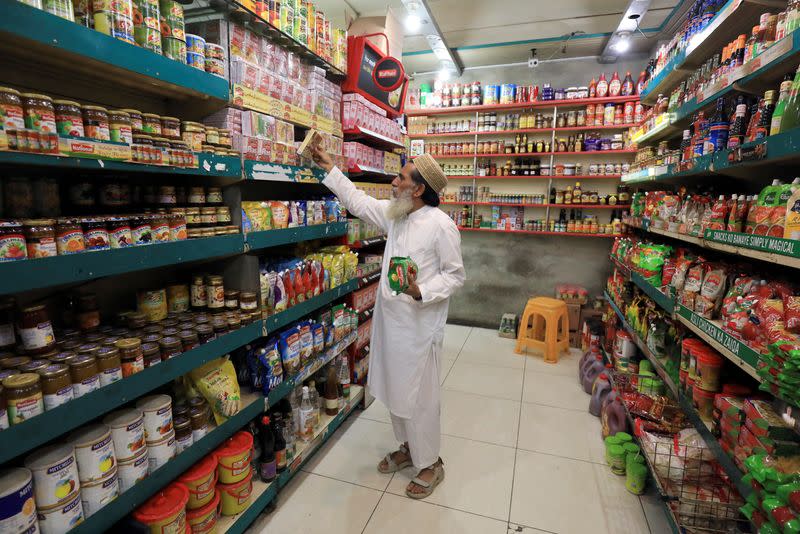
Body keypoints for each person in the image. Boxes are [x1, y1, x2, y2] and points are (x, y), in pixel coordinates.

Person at [311, 145, 465, 499]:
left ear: (419, 189)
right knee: (397, 392)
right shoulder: (396, 214)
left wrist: (419, 290)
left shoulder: (441, 226)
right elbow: (360, 201)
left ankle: (431, 463)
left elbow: (455, 276)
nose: (394, 183)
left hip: (419, 330)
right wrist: (331, 168)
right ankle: (409, 448)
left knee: (421, 398)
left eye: (401, 178)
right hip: (391, 326)